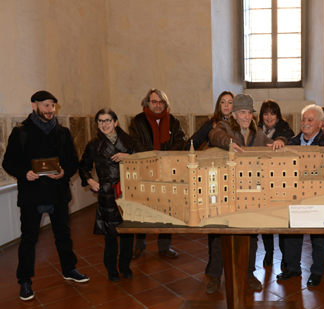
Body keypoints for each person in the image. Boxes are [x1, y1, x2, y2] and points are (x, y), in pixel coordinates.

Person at [2, 90, 89, 301]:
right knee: (29, 239)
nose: (50, 110)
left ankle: (69, 269)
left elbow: (72, 161)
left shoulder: (63, 132)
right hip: (31, 194)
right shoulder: (20, 132)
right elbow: (8, 162)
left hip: (57, 192)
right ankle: (25, 281)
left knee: (63, 235)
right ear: (35, 106)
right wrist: (25, 173)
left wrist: (63, 172)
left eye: (52, 106)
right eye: (46, 105)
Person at [207, 93, 286, 293]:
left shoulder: (257, 133)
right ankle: (215, 276)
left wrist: (279, 141)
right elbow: (214, 135)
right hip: (228, 190)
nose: (246, 117)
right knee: (220, 235)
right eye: (242, 112)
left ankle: (249, 273)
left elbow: (271, 142)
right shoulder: (225, 127)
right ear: (233, 114)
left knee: (251, 235)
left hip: (250, 190)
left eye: (249, 113)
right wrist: (229, 143)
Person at [277, 105, 324, 287]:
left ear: (321, 124)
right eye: (303, 119)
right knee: (292, 233)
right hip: (295, 196)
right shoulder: (291, 143)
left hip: (319, 197)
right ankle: (292, 267)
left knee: (319, 237)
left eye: (310, 120)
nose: (305, 123)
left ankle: (316, 270)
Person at [79, 109, 145, 281]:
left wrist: (128, 156)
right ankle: (111, 268)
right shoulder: (93, 144)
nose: (104, 124)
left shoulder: (129, 140)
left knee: (127, 232)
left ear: (116, 122)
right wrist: (90, 181)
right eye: (100, 121)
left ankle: (125, 265)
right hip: (107, 193)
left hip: (128, 192)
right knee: (110, 234)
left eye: (108, 120)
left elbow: (146, 159)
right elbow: (83, 167)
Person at [128, 88, 186, 259]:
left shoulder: (173, 121)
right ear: (147, 103)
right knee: (142, 209)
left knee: (167, 209)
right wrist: (152, 157)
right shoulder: (137, 121)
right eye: (154, 101)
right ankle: (139, 245)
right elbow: (134, 142)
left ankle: (164, 246)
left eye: (161, 102)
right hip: (145, 169)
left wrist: (165, 158)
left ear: (165, 104)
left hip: (168, 171)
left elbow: (180, 141)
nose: (158, 105)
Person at [183, 91, 234, 277]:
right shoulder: (210, 124)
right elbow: (191, 143)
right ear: (218, 105)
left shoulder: (241, 123)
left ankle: (233, 264)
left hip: (234, 177)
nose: (227, 106)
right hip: (215, 177)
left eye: (230, 102)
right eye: (223, 102)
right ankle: (214, 266)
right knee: (214, 222)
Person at [257, 99, 295, 267]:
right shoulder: (256, 130)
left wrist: (280, 140)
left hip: (280, 180)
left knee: (281, 219)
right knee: (266, 221)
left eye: (272, 113)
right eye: (266, 113)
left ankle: (285, 256)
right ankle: (269, 252)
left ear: (278, 115)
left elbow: (289, 138)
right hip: (262, 179)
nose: (269, 117)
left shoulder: (285, 128)